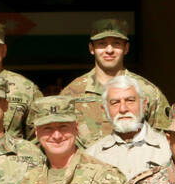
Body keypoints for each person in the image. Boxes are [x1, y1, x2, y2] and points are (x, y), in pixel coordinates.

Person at [60, 19, 169, 148]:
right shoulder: (71, 94)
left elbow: (164, 141)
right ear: (91, 48)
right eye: (102, 44)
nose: (109, 50)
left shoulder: (148, 91)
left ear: (126, 48)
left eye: (116, 44)